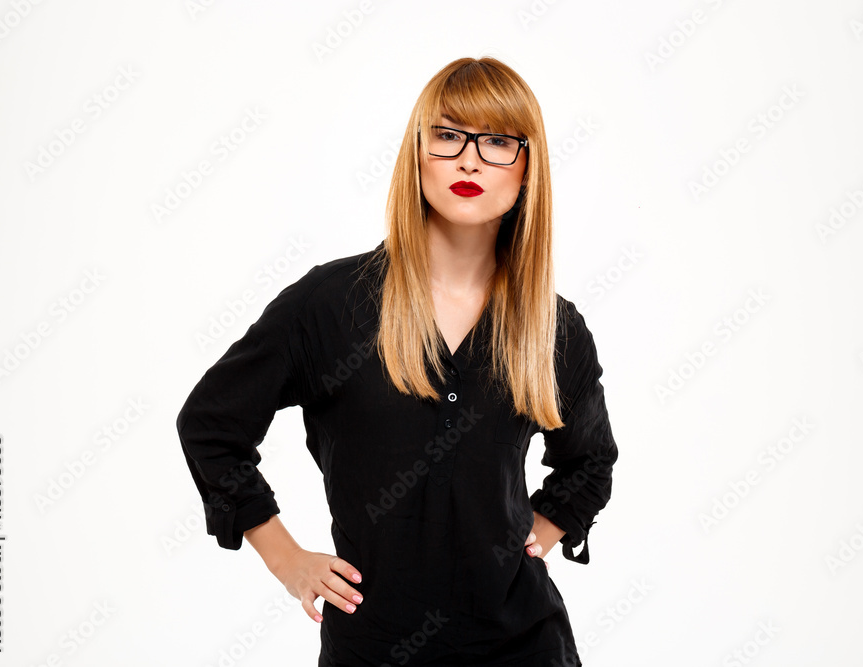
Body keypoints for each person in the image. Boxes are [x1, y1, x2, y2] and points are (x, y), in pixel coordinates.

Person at [177, 56, 618, 666]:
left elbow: (589, 462)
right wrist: (287, 560)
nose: (469, 160)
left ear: (528, 168)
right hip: (372, 647)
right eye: (448, 136)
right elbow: (211, 425)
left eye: (497, 141)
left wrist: (532, 542)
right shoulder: (332, 305)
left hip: (524, 646)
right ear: (417, 153)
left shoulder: (553, 327)